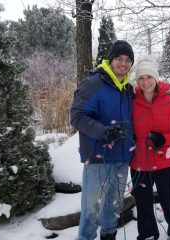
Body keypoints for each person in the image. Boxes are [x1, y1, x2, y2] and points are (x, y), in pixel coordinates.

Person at [70, 40, 135, 240]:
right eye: (119, 59)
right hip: (98, 159)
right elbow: (77, 116)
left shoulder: (128, 89)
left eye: (128, 60)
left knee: (113, 207)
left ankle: (109, 236)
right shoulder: (94, 83)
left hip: (121, 159)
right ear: (110, 60)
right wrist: (104, 132)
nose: (123, 64)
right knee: (91, 210)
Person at [130, 55, 170, 240]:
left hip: (167, 163)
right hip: (140, 163)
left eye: (149, 77)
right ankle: (148, 235)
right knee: (144, 204)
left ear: (156, 79)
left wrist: (165, 138)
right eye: (141, 78)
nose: (145, 82)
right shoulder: (131, 103)